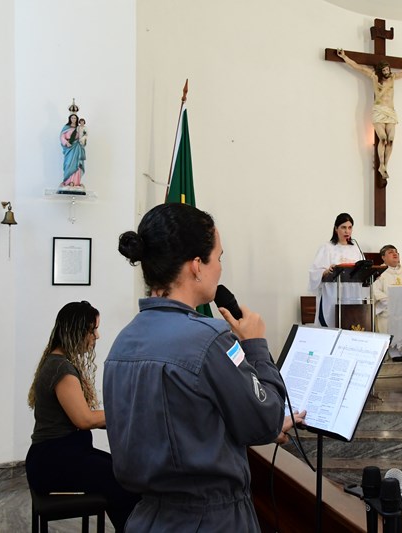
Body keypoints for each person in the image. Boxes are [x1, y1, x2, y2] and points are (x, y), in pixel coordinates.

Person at [105, 202, 305, 531]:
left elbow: (181, 423)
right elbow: (266, 418)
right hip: (211, 519)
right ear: (197, 265)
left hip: (146, 518)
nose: (220, 268)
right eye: (219, 257)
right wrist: (255, 344)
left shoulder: (123, 342)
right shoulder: (210, 340)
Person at [25, 301, 139, 531]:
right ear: (76, 331)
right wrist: (127, 412)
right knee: (124, 483)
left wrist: (116, 415)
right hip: (54, 461)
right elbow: (84, 420)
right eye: (92, 330)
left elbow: (85, 418)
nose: (97, 336)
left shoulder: (57, 362)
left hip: (60, 456)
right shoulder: (61, 369)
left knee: (123, 473)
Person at [336, 49, 402, 181]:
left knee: (391, 140)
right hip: (378, 110)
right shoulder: (374, 77)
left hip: (391, 111)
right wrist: (344, 57)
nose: (387, 72)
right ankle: (381, 164)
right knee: (383, 139)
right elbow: (357, 67)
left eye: (388, 70)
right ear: (380, 71)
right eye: (384, 71)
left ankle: (385, 166)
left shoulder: (393, 77)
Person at [308, 212, 365, 328]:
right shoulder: (327, 248)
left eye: (350, 228)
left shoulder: (356, 249)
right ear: (336, 229)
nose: (347, 231)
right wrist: (325, 272)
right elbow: (315, 272)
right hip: (333, 295)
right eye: (343, 227)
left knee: (351, 328)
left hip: (352, 296)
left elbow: (363, 271)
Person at [373, 245, 402, 360]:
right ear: (383, 257)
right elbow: (374, 290)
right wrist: (390, 301)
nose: (395, 254)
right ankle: (392, 354)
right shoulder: (378, 272)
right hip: (387, 308)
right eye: (391, 252)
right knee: (388, 319)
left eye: (396, 252)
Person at [60, 113, 86, 188]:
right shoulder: (66, 127)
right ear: (70, 119)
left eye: (75, 118)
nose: (73, 119)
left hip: (77, 147)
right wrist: (66, 142)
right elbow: (61, 136)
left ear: (77, 119)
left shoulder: (79, 128)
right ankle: (67, 182)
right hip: (69, 147)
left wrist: (83, 140)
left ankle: (75, 182)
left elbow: (83, 136)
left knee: (77, 164)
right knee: (68, 164)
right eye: (72, 118)